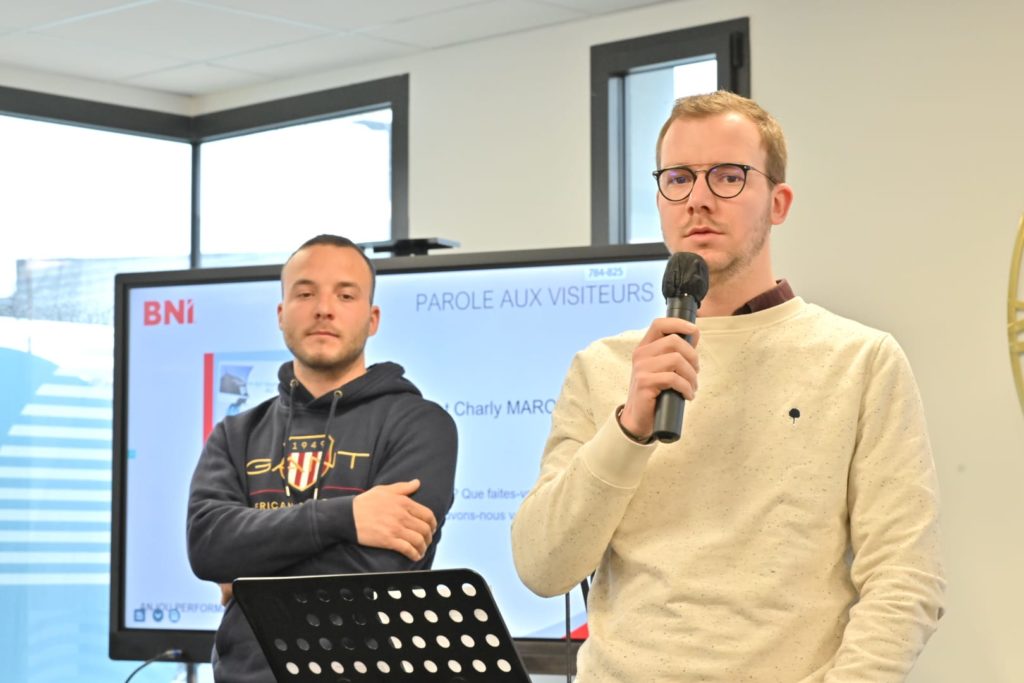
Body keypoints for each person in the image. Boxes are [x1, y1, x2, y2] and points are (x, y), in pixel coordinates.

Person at [510, 91, 944, 682]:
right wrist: (628, 428)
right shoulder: (605, 366)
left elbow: (905, 575)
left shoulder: (859, 360)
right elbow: (543, 566)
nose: (699, 200)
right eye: (679, 179)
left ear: (779, 201)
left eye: (729, 177)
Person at [187, 234, 458, 683]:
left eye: (345, 295)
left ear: (372, 319)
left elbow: (378, 575)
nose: (323, 309)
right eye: (305, 292)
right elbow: (207, 547)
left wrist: (249, 576)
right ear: (281, 314)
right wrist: (347, 517)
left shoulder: (419, 425)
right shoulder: (236, 434)